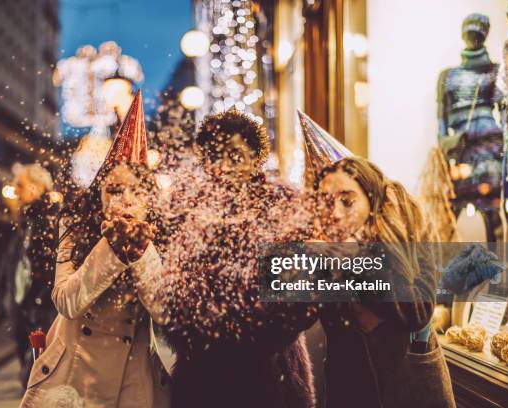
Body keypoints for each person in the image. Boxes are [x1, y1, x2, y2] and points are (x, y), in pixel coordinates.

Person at [150, 109, 316, 408]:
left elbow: (297, 302)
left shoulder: (282, 207)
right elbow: (170, 295)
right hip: (203, 376)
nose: (224, 166)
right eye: (214, 155)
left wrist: (251, 340)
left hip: (270, 374)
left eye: (235, 155)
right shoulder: (185, 210)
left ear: (256, 156)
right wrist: (200, 337)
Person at [20, 90, 170, 408]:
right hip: (72, 380)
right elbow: (67, 301)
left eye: (137, 191)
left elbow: (165, 312)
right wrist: (112, 249)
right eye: (115, 190)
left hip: (134, 381)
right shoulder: (75, 226)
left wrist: (140, 251)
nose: (125, 200)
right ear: (100, 194)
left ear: (149, 199)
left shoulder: (160, 235)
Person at [299, 111, 455, 408]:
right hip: (351, 388)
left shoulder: (405, 230)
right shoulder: (323, 242)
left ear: (371, 198)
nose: (336, 212)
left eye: (348, 199)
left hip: (411, 387)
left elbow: (417, 311)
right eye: (326, 202)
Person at [0, 162, 59, 386]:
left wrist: (37, 307)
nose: (16, 189)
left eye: (20, 185)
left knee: (35, 379)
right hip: (28, 309)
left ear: (37, 187)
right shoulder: (30, 220)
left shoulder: (47, 221)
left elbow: (48, 271)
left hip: (40, 313)